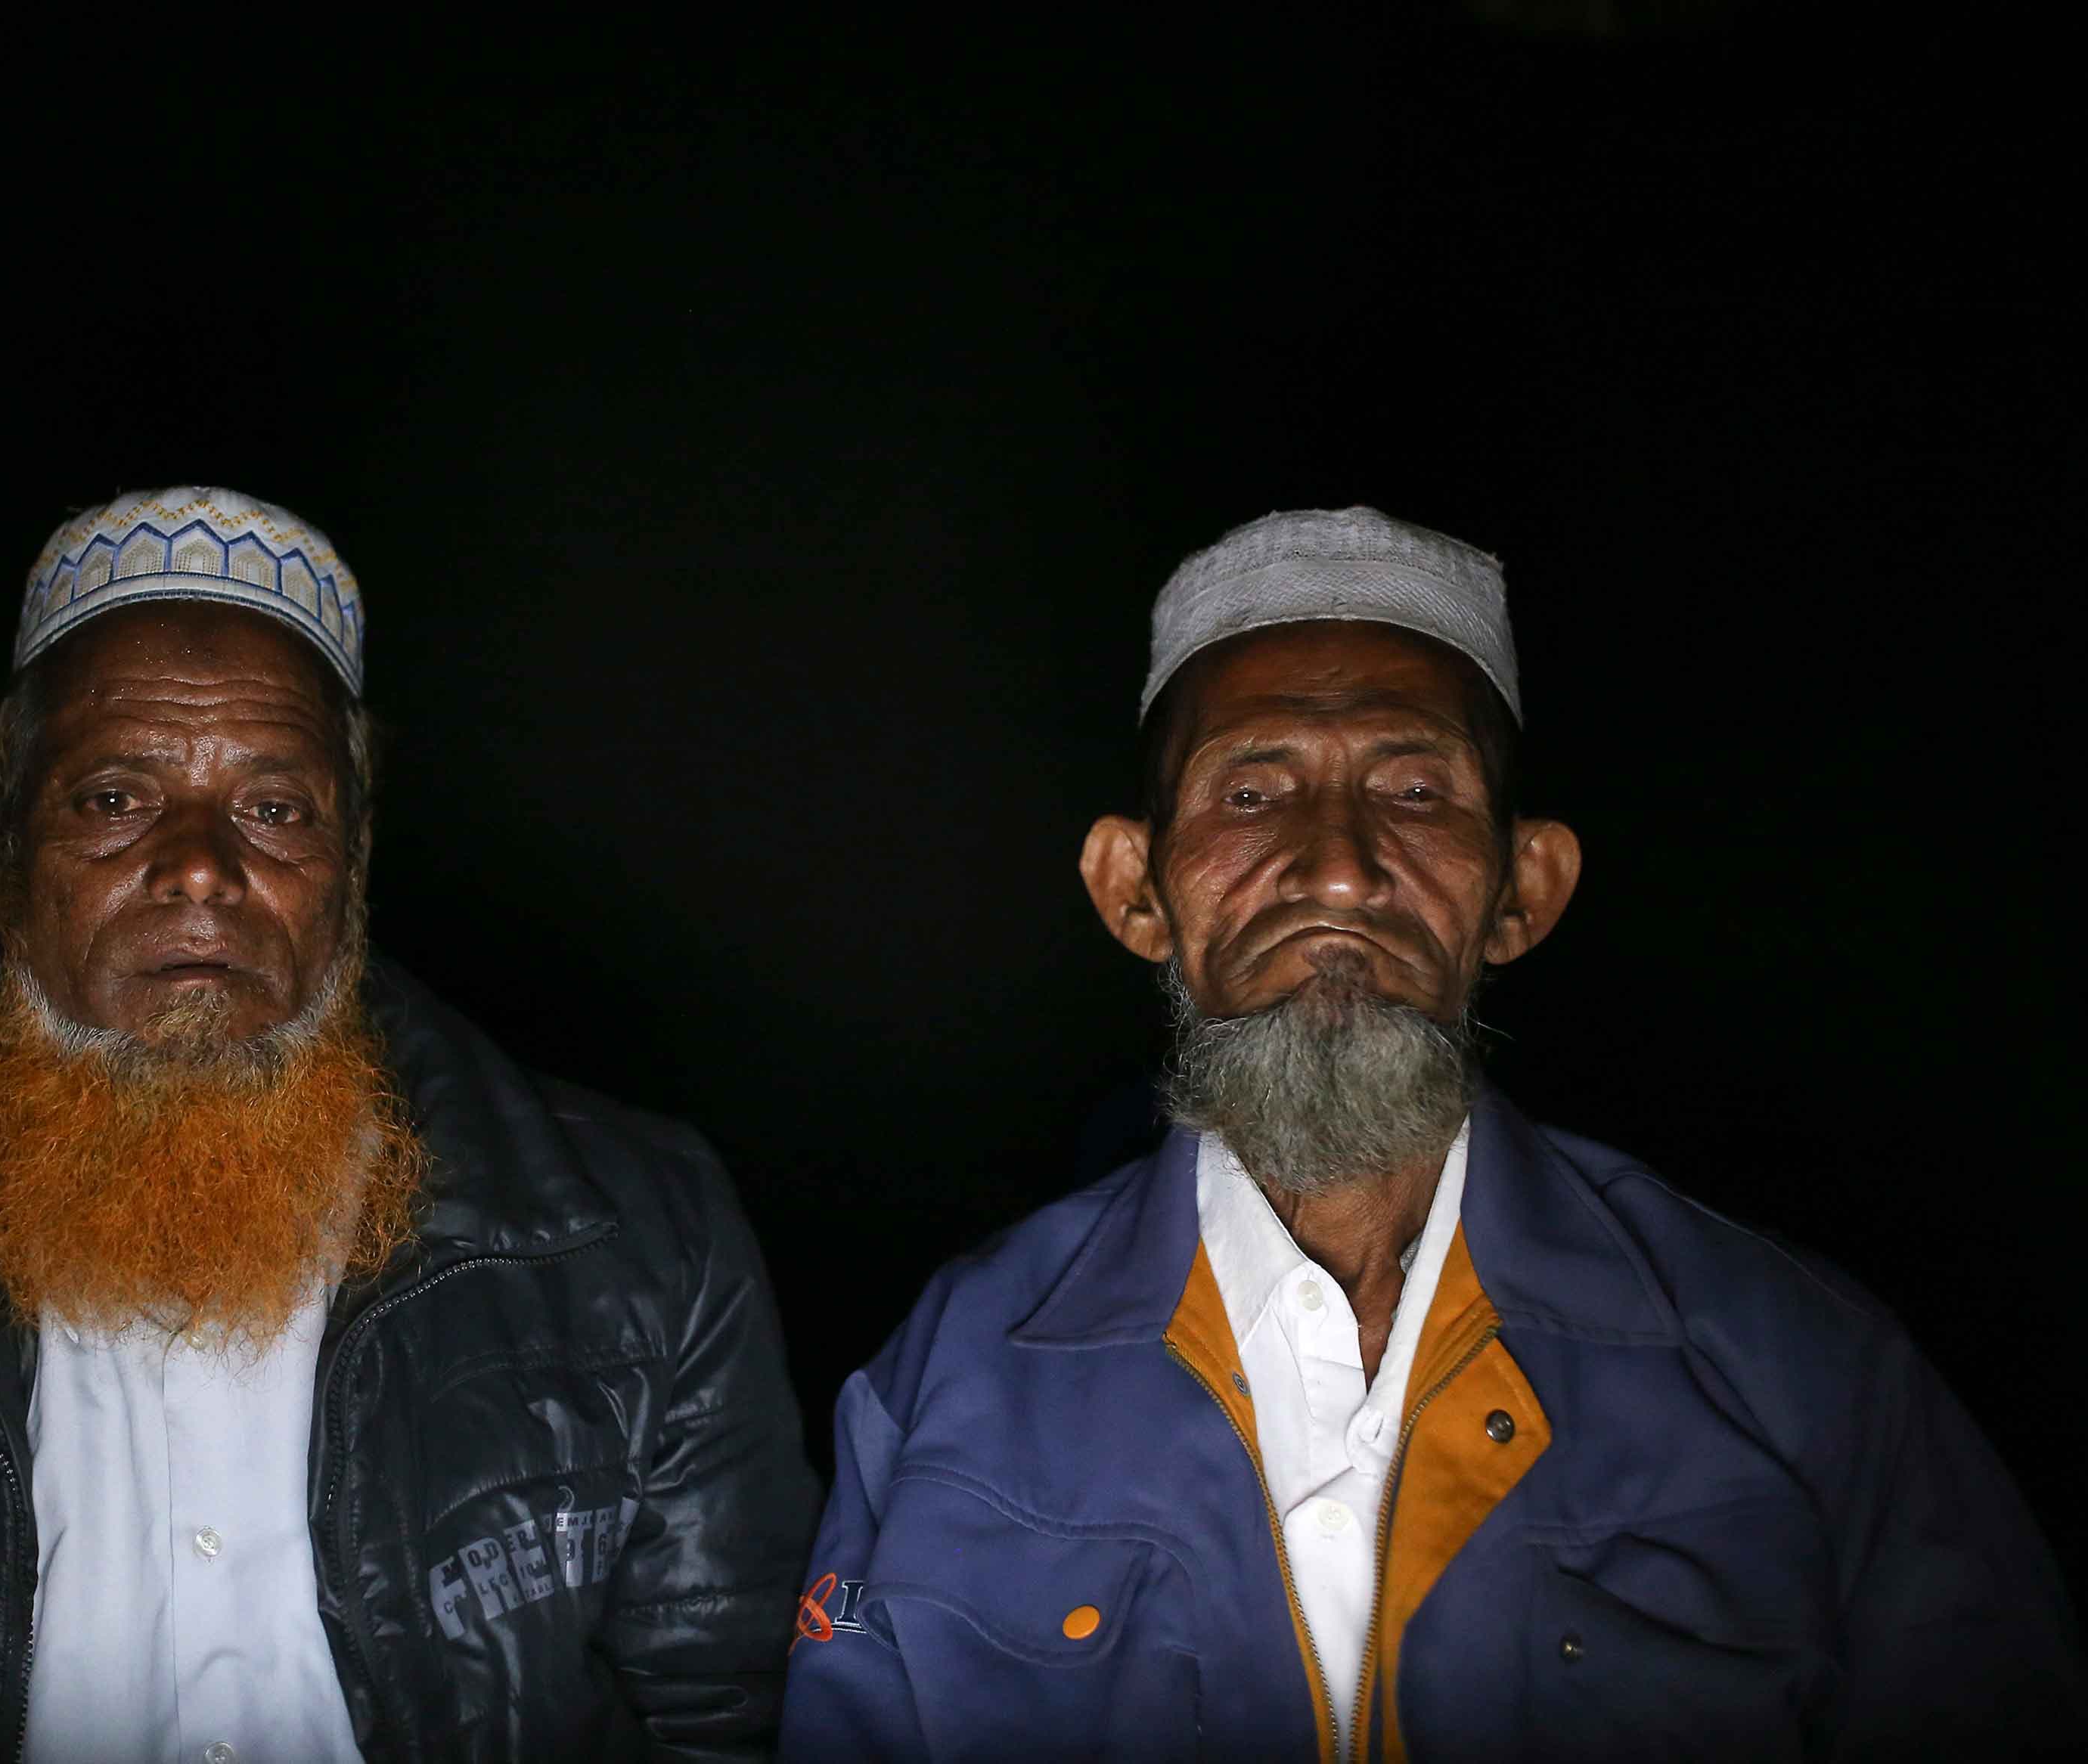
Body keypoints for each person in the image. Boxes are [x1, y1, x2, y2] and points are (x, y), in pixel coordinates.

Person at [780, 507, 2082, 1760]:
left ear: (1522, 891)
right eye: (1250, 793)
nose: (1337, 867)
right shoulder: (950, 1381)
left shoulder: (1796, 1371)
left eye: (1413, 787)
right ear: (1136, 891)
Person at [0, 486, 820, 1760]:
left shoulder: (640, 1245)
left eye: (275, 808)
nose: (196, 865)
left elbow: (733, 1714)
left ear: (350, 868)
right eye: (115, 799)